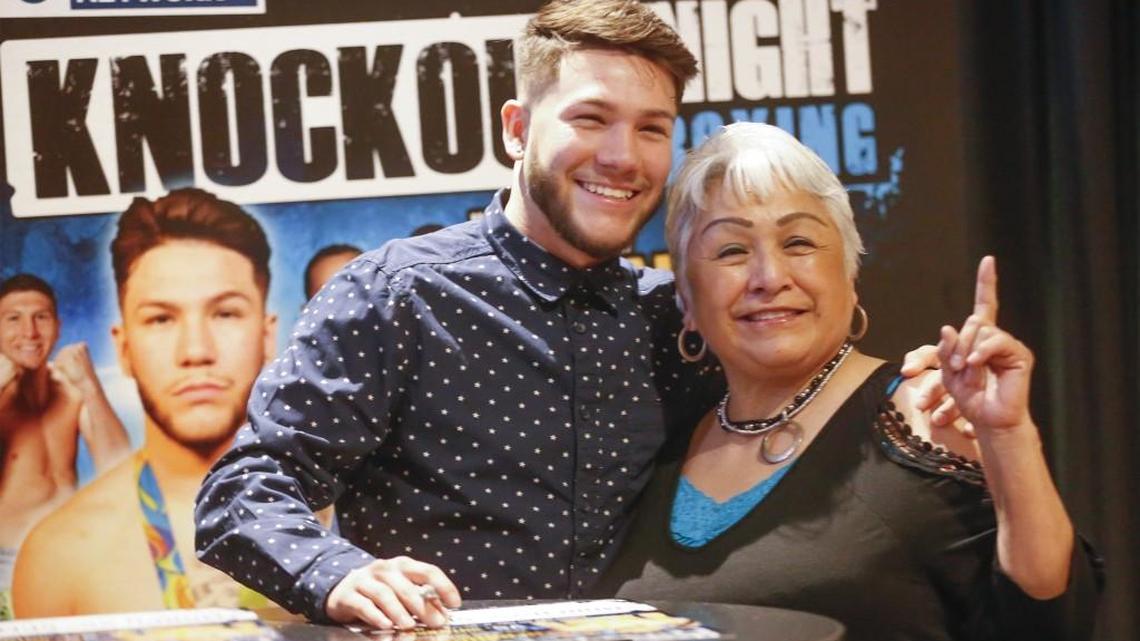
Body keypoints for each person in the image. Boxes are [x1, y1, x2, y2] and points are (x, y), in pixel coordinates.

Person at [194, 0, 947, 630]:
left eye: (652, 127)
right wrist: (339, 573)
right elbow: (242, 490)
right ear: (518, 129)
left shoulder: (676, 322)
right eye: (591, 119)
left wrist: (919, 394)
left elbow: (800, 391)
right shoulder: (399, 296)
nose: (623, 155)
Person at [594, 123, 1102, 641]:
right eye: (731, 251)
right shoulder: (663, 441)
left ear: (850, 273)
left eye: (798, 242)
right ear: (685, 300)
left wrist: (1008, 437)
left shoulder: (928, 412)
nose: (770, 276)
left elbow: (1050, 614)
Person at [11, 189, 280, 616]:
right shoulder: (60, 557)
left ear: (267, 337)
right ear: (124, 349)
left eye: (225, 313)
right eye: (161, 319)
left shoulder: (359, 512)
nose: (195, 350)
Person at [0, 274, 131, 619]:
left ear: (58, 326)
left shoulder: (72, 388)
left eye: (40, 317)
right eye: (13, 318)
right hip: (6, 561)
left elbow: (117, 464)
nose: (29, 332)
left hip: (70, 555)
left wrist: (90, 386)